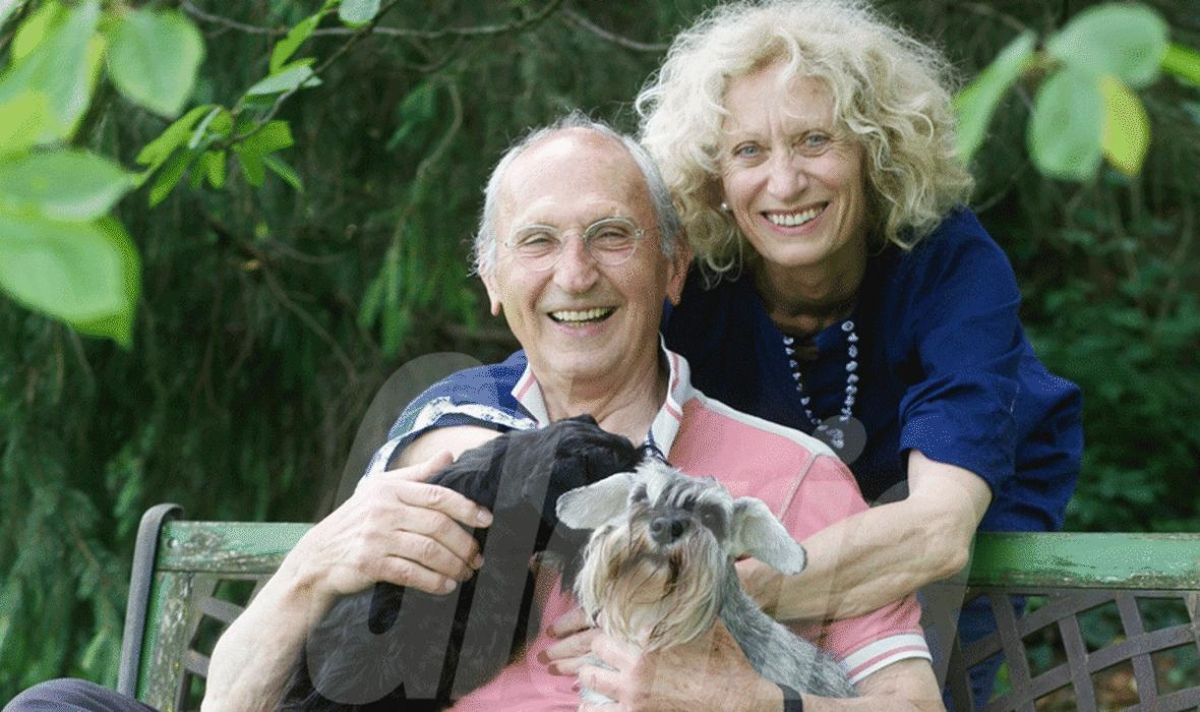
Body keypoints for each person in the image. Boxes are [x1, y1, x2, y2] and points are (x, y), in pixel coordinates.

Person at [4, 117, 943, 712]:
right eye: (537, 242)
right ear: (494, 282)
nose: (574, 274)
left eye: (610, 236)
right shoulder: (446, 438)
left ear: (671, 268)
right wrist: (314, 563)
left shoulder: (787, 476)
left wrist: (742, 700)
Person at [630, 0, 1083, 703]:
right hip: (772, 519)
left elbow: (936, 532)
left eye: (815, 140)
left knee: (919, 676)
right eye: (749, 151)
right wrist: (447, 428)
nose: (785, 182)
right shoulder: (693, 279)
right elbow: (559, 366)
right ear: (713, 177)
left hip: (953, 503)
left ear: (877, 150)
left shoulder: (950, 263)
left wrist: (714, 601)